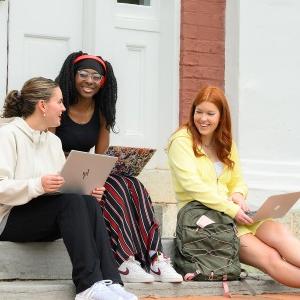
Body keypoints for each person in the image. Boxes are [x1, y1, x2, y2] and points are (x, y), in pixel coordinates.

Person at [0, 77, 137, 300]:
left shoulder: (53, 142)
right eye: (60, 102)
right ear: (43, 106)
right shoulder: (8, 135)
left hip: (42, 215)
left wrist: (86, 190)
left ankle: (112, 281)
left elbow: (63, 187)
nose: (64, 108)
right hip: (8, 219)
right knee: (73, 202)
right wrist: (38, 184)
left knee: (86, 201)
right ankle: (88, 287)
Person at [54, 51, 182, 283]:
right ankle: (123, 261)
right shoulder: (58, 108)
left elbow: (102, 156)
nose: (90, 81)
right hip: (59, 173)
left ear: (103, 81)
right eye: (83, 74)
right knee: (113, 190)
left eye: (96, 77)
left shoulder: (101, 111)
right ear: (72, 75)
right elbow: (47, 149)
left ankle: (155, 258)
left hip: (84, 170)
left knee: (131, 184)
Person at [167, 85, 300, 288]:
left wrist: (238, 194)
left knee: (280, 233)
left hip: (234, 212)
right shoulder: (181, 141)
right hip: (205, 219)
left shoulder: (226, 142)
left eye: (210, 113)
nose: (203, 118)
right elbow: (193, 186)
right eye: (198, 112)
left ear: (221, 116)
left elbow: (238, 180)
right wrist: (232, 209)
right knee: (271, 257)